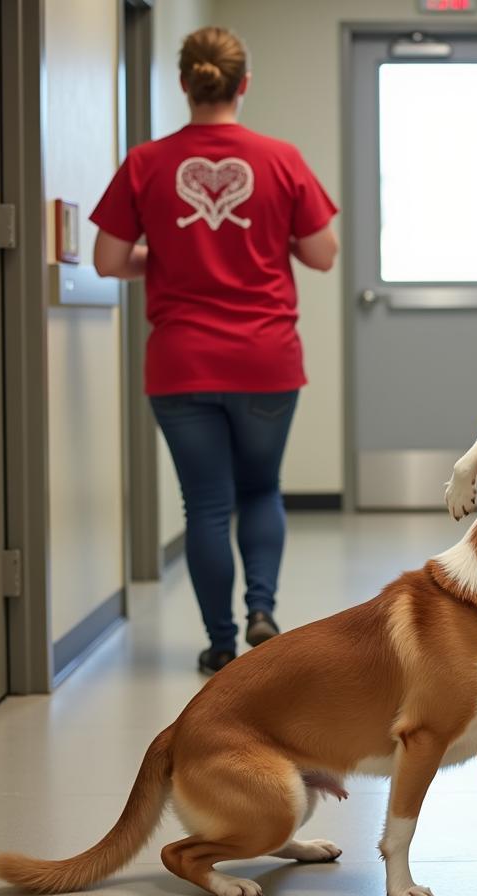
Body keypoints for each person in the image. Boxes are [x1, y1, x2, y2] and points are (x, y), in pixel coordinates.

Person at [91, 27, 339, 675]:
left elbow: (107, 259)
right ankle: (263, 610)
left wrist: (166, 257)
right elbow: (322, 254)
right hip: (266, 359)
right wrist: (265, 243)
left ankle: (221, 641)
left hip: (180, 364)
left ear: (184, 84)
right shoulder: (280, 158)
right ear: (243, 83)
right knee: (261, 489)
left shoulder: (145, 162)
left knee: (204, 503)